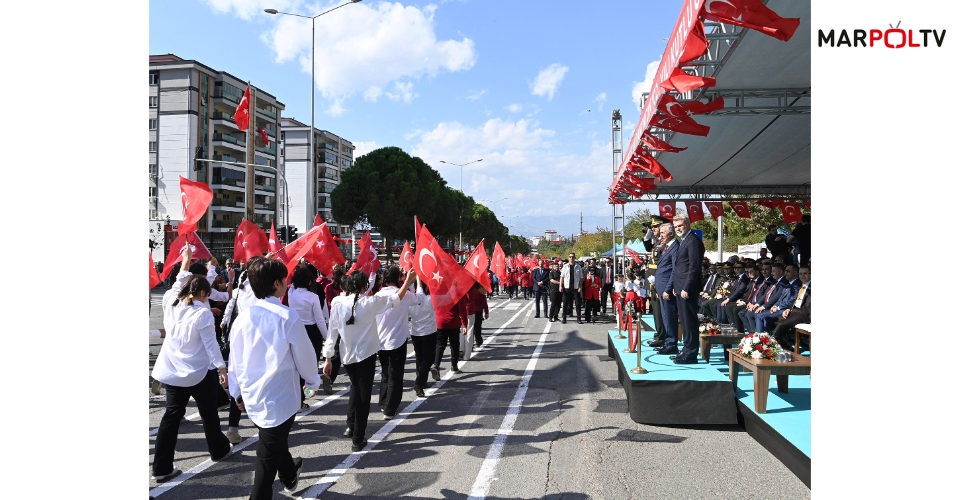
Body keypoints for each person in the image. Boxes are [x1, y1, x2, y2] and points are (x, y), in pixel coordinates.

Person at [226, 257, 324, 498]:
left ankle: (290, 474)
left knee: (272, 439)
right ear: (277, 283)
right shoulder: (286, 316)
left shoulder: (243, 317)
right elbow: (305, 355)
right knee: (266, 457)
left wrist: (236, 392)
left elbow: (234, 360)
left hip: (252, 393)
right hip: (280, 396)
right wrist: (312, 383)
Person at [152, 246, 234, 483]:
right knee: (209, 414)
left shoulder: (170, 302)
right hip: (197, 372)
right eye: (206, 294)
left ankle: (161, 467)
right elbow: (211, 345)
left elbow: (178, 283)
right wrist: (221, 368)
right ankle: (218, 450)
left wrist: (186, 261)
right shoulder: (202, 313)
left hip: (171, 370)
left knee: (171, 416)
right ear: (201, 293)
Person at [323, 268, 416, 453]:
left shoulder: (337, 302)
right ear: (365, 286)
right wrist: (408, 281)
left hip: (347, 356)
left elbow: (331, 333)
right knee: (363, 395)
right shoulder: (369, 302)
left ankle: (351, 425)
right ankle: (358, 438)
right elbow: (396, 299)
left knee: (355, 389)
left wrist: (327, 358)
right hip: (366, 356)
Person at [374, 266, 417, 420]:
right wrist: (411, 282)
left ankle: (383, 402)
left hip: (381, 340)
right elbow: (418, 299)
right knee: (396, 375)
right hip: (397, 339)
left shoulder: (377, 295)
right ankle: (390, 409)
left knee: (385, 373)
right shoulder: (404, 295)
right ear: (398, 278)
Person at [288, 266, 333, 397]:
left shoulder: (291, 293)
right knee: (311, 366)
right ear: (309, 281)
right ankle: (308, 393)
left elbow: (291, 285)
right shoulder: (313, 297)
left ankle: (299, 399)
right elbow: (320, 320)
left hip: (296, 330)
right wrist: (328, 338)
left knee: (297, 364)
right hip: (312, 332)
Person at [671, 215, 706, 364]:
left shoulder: (693, 241)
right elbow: (680, 266)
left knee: (690, 321)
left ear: (687, 224)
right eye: (676, 226)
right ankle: (686, 349)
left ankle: (691, 353)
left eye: (681, 225)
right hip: (680, 287)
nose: (678, 228)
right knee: (684, 321)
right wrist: (675, 286)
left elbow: (694, 267)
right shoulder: (684, 240)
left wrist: (686, 287)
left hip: (688, 288)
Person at [653, 223, 680, 356]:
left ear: (670, 233)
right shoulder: (666, 246)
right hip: (661, 287)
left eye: (663, 233)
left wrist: (668, 289)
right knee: (665, 316)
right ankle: (668, 341)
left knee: (669, 316)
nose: (661, 235)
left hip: (667, 289)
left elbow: (675, 270)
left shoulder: (675, 247)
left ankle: (672, 343)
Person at [408, 275, 437, 397]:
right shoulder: (430, 299)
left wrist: (418, 278)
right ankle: (419, 382)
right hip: (428, 332)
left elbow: (416, 289)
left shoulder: (411, 301)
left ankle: (422, 380)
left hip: (415, 332)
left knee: (419, 357)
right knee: (429, 358)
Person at [773, 265, 811, 351]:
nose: (802, 276)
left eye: (805, 273)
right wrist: (788, 309)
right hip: (795, 310)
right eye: (800, 273)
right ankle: (786, 346)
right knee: (773, 320)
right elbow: (796, 300)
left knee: (781, 325)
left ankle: (775, 345)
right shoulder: (802, 286)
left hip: (804, 313)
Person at [432, 288, 469, 377]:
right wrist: (464, 324)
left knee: (440, 345)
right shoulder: (456, 291)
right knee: (454, 344)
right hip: (453, 322)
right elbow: (462, 310)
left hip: (440, 321)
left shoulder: (437, 291)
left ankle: (436, 365)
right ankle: (454, 365)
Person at [560, 252, 583, 324]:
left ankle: (579, 319)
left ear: (575, 258)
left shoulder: (578, 266)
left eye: (573, 257)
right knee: (565, 303)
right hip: (567, 287)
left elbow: (581, 277)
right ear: (569, 257)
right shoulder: (565, 266)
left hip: (575, 287)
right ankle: (564, 318)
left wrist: (580, 286)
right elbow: (562, 277)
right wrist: (560, 286)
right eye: (570, 257)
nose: (571, 258)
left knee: (578, 303)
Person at [466, 282, 490, 351]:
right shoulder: (480, 291)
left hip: (469, 311)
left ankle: (470, 344)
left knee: (470, 328)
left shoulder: (468, 290)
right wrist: (486, 312)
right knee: (477, 327)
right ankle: (478, 340)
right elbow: (484, 302)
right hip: (478, 311)